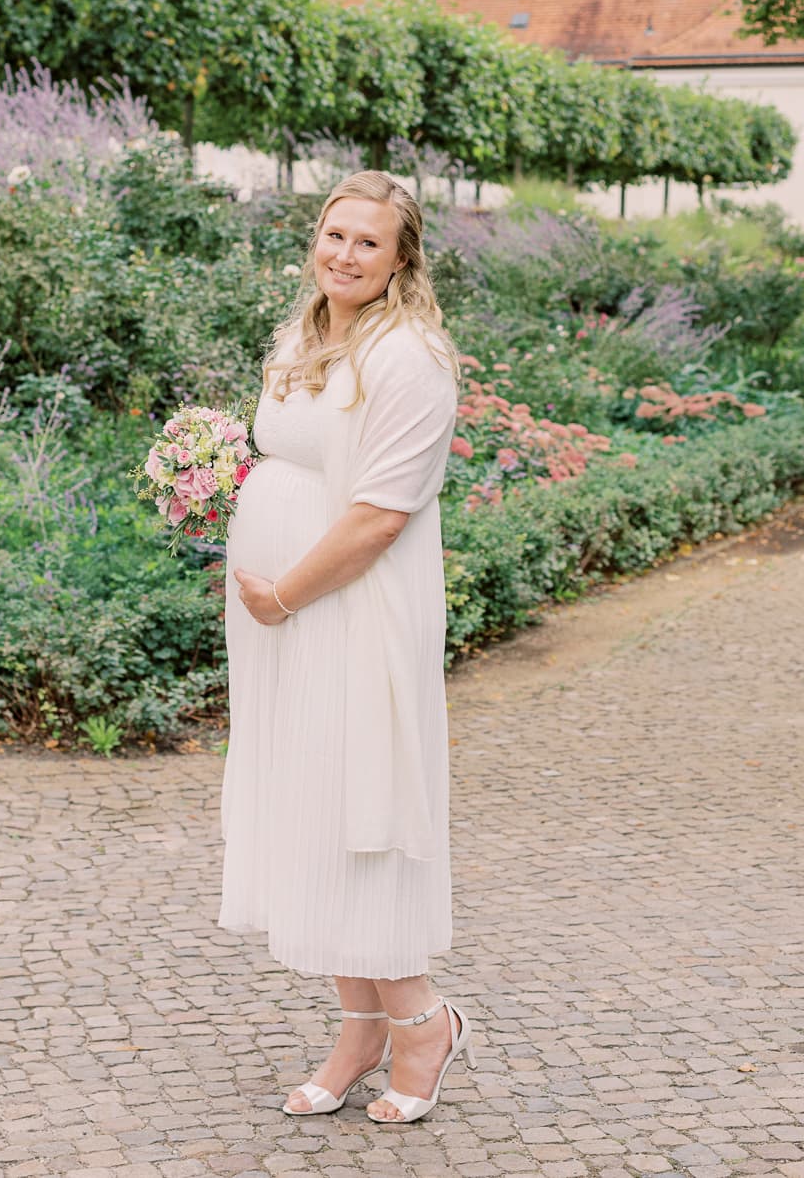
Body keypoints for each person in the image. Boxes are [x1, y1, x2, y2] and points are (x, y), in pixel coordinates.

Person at [220, 169, 477, 1125]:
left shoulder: (411, 357)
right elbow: (292, 457)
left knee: (358, 804)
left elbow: (376, 517)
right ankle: (358, 1023)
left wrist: (283, 590)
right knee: (307, 803)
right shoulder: (304, 332)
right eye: (334, 234)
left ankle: (421, 1019)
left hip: (352, 611)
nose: (344, 254)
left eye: (368, 242)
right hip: (282, 617)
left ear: (402, 256)